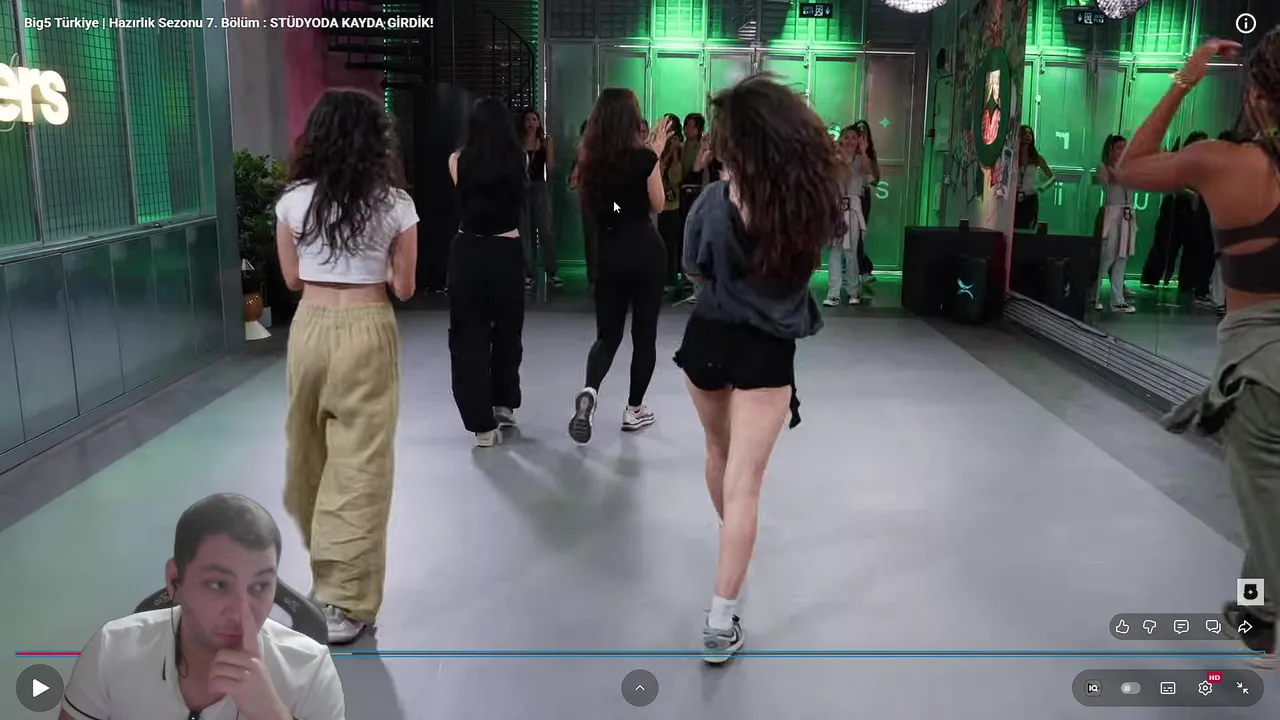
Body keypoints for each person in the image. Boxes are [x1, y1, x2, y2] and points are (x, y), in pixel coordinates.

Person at [1114, 34, 1280, 665]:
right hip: (1258, 370)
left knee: (1267, 515)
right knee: (1268, 518)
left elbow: (1130, 166)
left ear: (1256, 94)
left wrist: (1185, 79)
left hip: (1260, 373)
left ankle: (1264, 622)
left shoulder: (1222, 162)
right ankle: (1255, 618)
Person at [676, 74, 841, 663]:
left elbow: (691, 267)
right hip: (766, 350)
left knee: (718, 455)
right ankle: (720, 623)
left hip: (708, 340)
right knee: (745, 481)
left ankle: (733, 543)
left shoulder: (710, 204)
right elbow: (806, 268)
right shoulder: (804, 205)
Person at [275, 89, 417, 644]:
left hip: (309, 330)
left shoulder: (293, 200)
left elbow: (291, 279)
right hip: (366, 332)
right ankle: (346, 601)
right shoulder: (395, 204)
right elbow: (404, 287)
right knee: (361, 467)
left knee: (309, 459)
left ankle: (327, 581)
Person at [60, 494, 344, 719]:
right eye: (219, 585)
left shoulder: (311, 672)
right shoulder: (111, 651)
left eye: (259, 587)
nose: (241, 612)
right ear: (174, 581)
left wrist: (270, 713)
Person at [568, 91, 674, 442]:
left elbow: (609, 207)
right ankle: (634, 409)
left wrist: (620, 205)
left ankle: (590, 391)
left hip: (609, 256)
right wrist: (654, 157)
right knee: (644, 335)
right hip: (645, 252)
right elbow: (658, 204)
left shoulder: (590, 163)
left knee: (607, 336)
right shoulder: (644, 158)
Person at [448, 98, 528, 447]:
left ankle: (481, 426)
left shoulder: (457, 160)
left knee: (469, 337)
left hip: (468, 252)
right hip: (506, 252)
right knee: (508, 332)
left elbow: (464, 197)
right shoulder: (519, 159)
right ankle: (504, 403)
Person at [826, 125, 871, 306]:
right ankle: (833, 293)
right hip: (836, 207)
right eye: (846, 137)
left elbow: (868, 171)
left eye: (854, 137)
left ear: (858, 140)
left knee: (851, 251)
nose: (850, 141)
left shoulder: (860, 160)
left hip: (853, 209)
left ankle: (853, 290)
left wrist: (864, 151)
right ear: (841, 139)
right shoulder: (833, 159)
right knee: (835, 250)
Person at [1093, 134, 1137, 313]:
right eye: (1119, 148)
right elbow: (1105, 179)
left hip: (1127, 213)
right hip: (1112, 212)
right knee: (1107, 256)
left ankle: (1118, 300)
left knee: (1122, 257)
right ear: (1110, 149)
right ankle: (1094, 296)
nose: (1122, 152)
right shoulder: (1104, 167)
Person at [520, 108, 562, 289]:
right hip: (522, 188)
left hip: (539, 186)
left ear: (539, 122)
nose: (531, 123)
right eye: (528, 120)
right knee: (525, 230)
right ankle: (528, 273)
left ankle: (552, 271)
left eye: (534, 120)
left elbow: (550, 166)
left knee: (545, 229)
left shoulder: (544, 141)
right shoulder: (518, 142)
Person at [658, 112, 686, 293]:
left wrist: (674, 154)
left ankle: (671, 277)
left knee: (671, 242)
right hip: (658, 202)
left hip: (673, 203)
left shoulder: (680, 149)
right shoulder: (659, 147)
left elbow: (677, 177)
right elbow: (658, 170)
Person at [850, 120, 881, 281]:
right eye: (858, 133)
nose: (861, 137)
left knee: (859, 234)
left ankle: (863, 269)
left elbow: (874, 176)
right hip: (848, 196)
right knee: (851, 236)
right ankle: (862, 269)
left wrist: (864, 152)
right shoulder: (847, 152)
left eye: (864, 133)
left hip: (862, 196)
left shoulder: (868, 155)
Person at [1014, 125, 1055, 229]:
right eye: (1024, 133)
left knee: (1028, 227)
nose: (1028, 136)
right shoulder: (1013, 156)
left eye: (1030, 133)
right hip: (1014, 197)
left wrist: (1043, 187)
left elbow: (1052, 177)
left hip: (1030, 197)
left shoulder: (1036, 157)